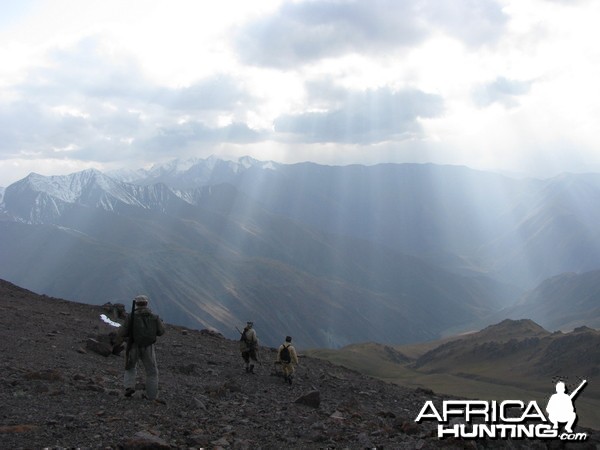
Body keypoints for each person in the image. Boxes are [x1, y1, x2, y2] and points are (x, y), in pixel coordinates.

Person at [115, 295, 166, 401]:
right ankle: (152, 396)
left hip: (133, 345)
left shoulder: (131, 316)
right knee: (152, 372)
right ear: (146, 303)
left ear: (136, 304)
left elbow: (123, 332)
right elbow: (161, 332)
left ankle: (129, 387)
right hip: (148, 347)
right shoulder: (154, 317)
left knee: (130, 367)